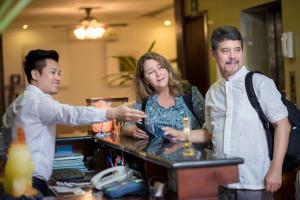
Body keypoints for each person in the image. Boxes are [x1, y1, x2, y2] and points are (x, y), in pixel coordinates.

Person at [167, 26, 290, 200]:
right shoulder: (212, 92)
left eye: (237, 50)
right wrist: (181, 135)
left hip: (255, 179)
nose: (233, 56)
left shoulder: (260, 83)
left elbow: (282, 125)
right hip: (221, 181)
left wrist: (276, 169)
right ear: (213, 54)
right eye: (225, 51)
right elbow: (209, 133)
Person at [2, 49, 146, 196]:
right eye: (53, 72)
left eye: (59, 73)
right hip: (30, 183)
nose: (58, 77)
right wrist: (113, 113)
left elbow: (3, 142)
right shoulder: (37, 100)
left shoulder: (17, 103)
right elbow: (69, 114)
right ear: (35, 75)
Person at [123, 51, 205, 140]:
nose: (158, 74)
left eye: (160, 67)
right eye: (151, 72)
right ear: (145, 80)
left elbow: (210, 129)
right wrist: (132, 131)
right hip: (154, 154)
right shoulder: (143, 101)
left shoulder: (190, 93)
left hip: (191, 152)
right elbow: (127, 126)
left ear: (167, 69)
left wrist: (181, 135)